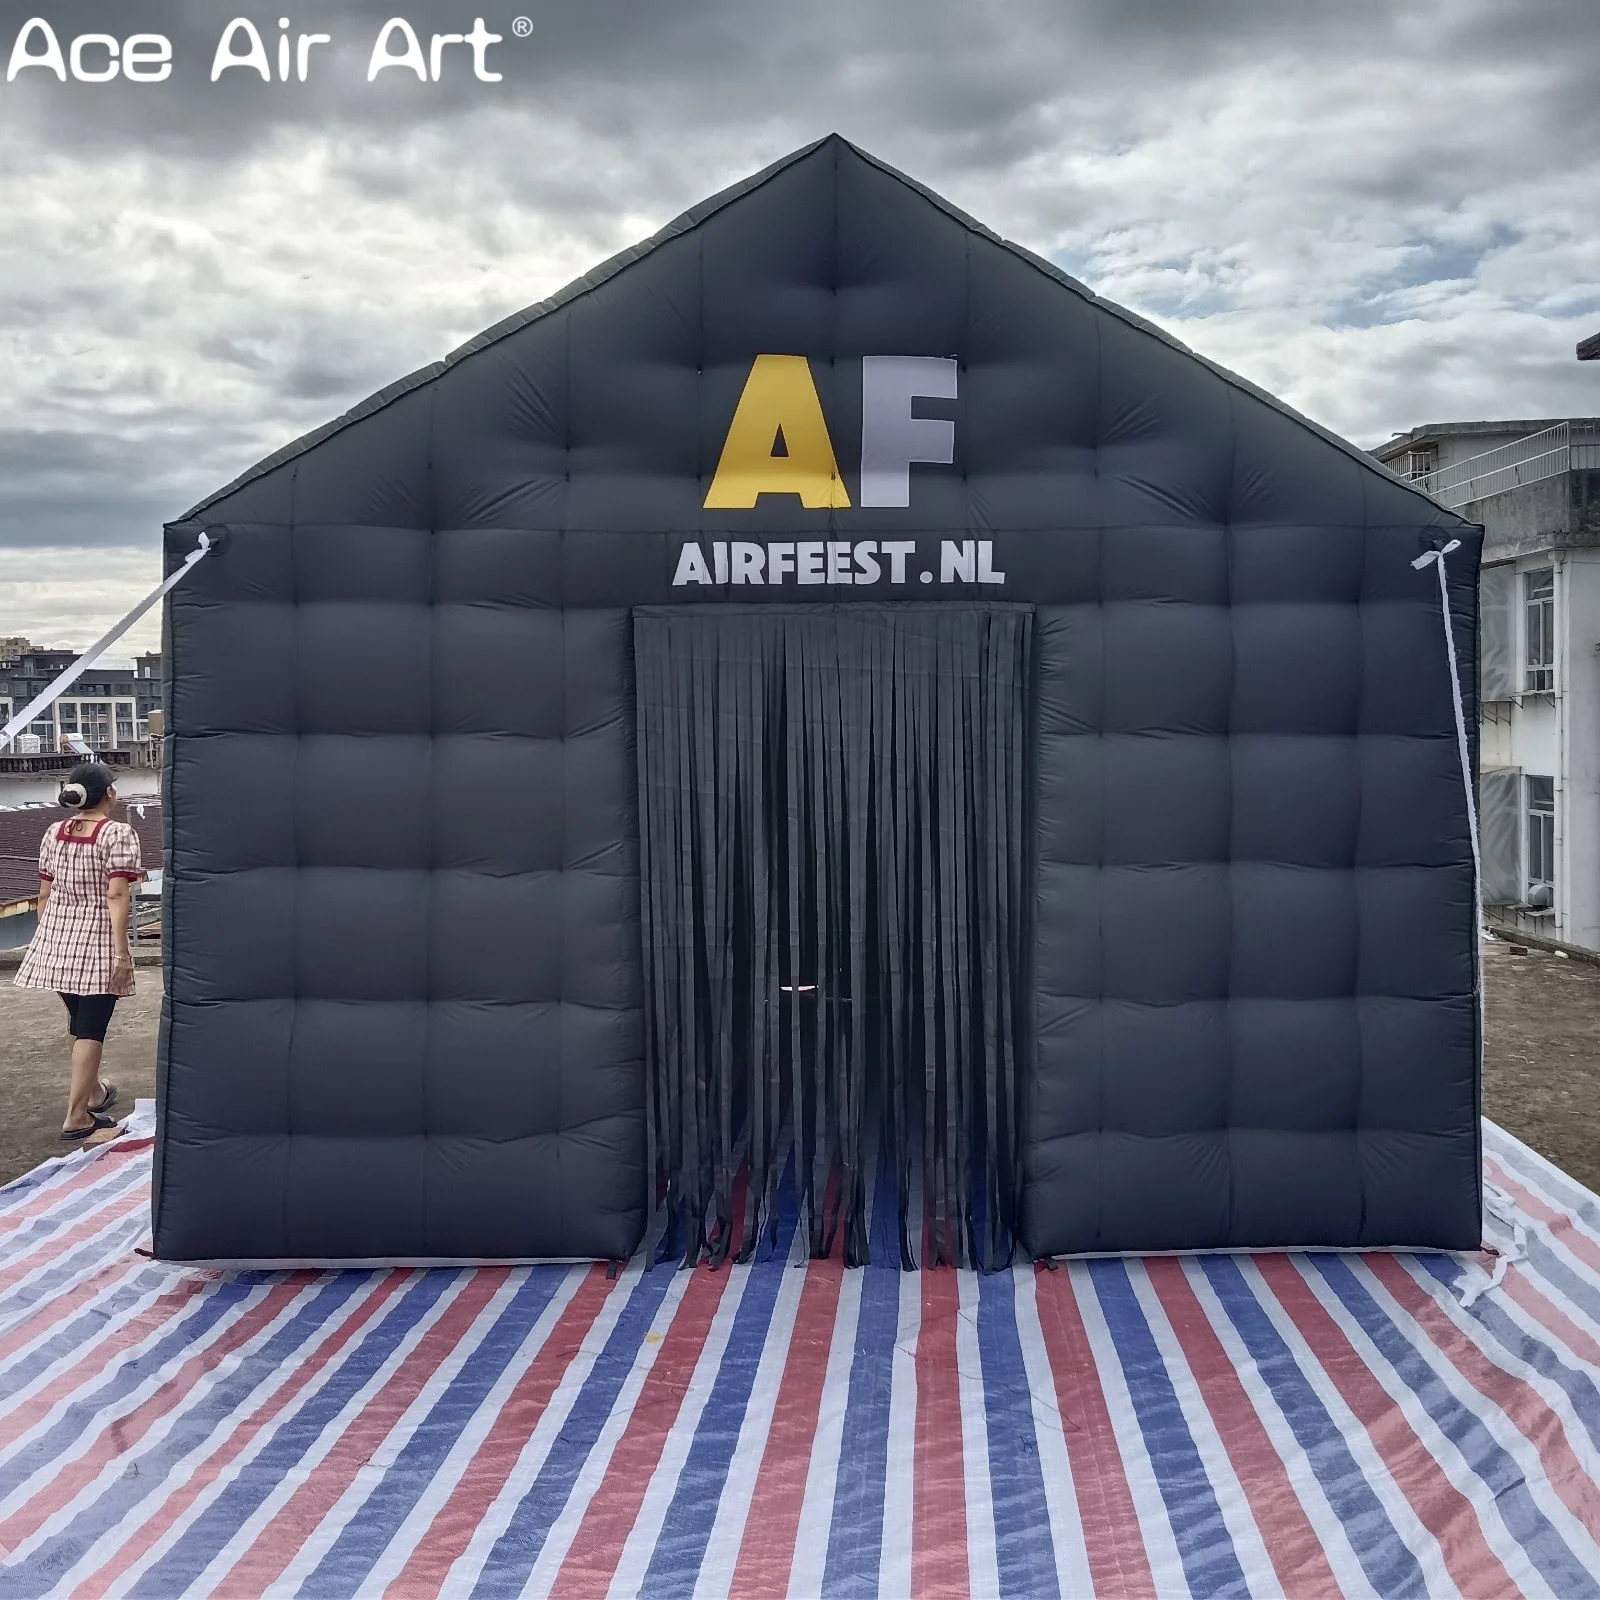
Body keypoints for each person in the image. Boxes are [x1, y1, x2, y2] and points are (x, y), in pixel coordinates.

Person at [13, 761, 144, 1145]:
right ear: (109, 794)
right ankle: (77, 1118)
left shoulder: (55, 831)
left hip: (57, 939)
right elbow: (117, 894)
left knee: (78, 1022)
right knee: (92, 1027)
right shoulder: (117, 834)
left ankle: (93, 1095)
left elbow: (44, 893)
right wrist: (122, 952)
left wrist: (48, 938)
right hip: (98, 940)